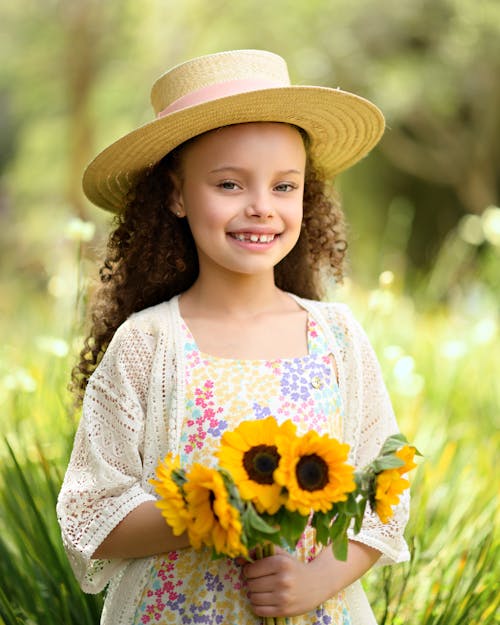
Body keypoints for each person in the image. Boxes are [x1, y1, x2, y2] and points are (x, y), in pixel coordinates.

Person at [57, 49, 410, 625]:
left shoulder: (336, 338)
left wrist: (319, 579)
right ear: (175, 195)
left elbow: (384, 495)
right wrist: (216, 506)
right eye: (229, 183)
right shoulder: (147, 345)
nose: (261, 208)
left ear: (306, 197)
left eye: (284, 186)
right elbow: (90, 517)